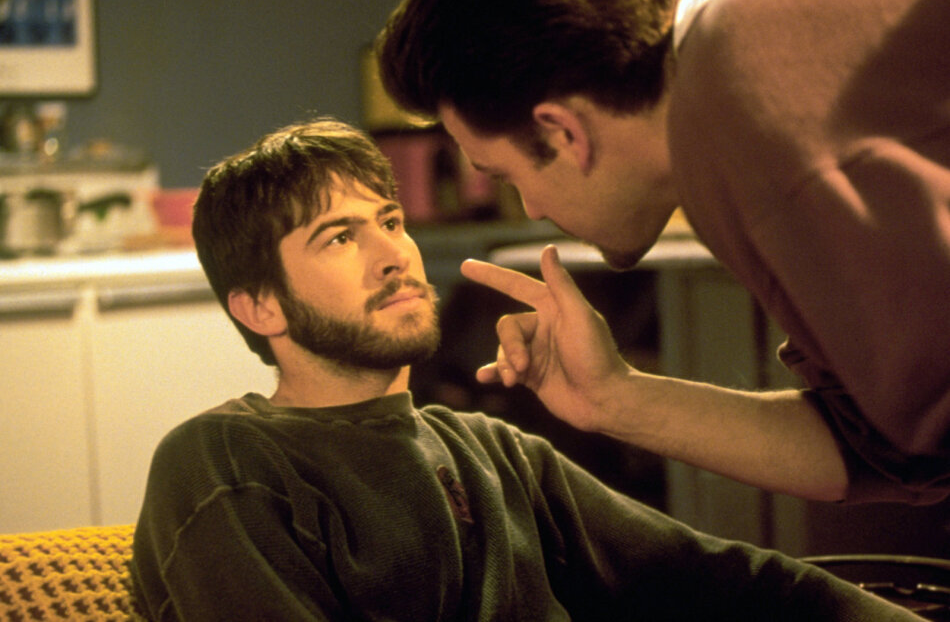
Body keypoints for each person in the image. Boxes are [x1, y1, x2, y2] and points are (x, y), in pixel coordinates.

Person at [129, 118, 924, 620]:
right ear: (261, 307)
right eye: (339, 237)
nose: (393, 255)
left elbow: (725, 582)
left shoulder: (493, 453)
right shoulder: (225, 462)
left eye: (390, 220)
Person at [374, 0, 950, 506]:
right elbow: (884, 448)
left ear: (562, 133)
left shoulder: (747, 100)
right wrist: (612, 397)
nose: (532, 210)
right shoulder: (728, 72)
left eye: (506, 177)